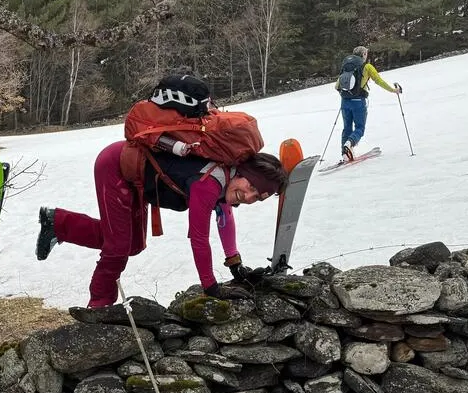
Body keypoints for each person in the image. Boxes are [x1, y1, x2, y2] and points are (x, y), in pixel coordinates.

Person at [35, 78, 288, 307]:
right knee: (119, 246)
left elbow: (225, 220)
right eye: (252, 187)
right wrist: (212, 289)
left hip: (138, 179)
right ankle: (99, 305)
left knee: (133, 244)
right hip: (116, 166)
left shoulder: (227, 179)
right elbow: (199, 239)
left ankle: (58, 223)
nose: (250, 196)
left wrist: (236, 266)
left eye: (259, 197)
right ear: (242, 172)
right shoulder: (209, 183)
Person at [336, 46, 402, 162]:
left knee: (347, 128)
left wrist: (347, 95)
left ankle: (345, 154)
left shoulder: (346, 67)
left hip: (345, 102)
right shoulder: (367, 66)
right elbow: (379, 81)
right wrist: (393, 90)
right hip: (358, 102)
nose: (366, 56)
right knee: (360, 128)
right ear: (363, 55)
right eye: (366, 54)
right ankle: (349, 143)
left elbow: (337, 86)